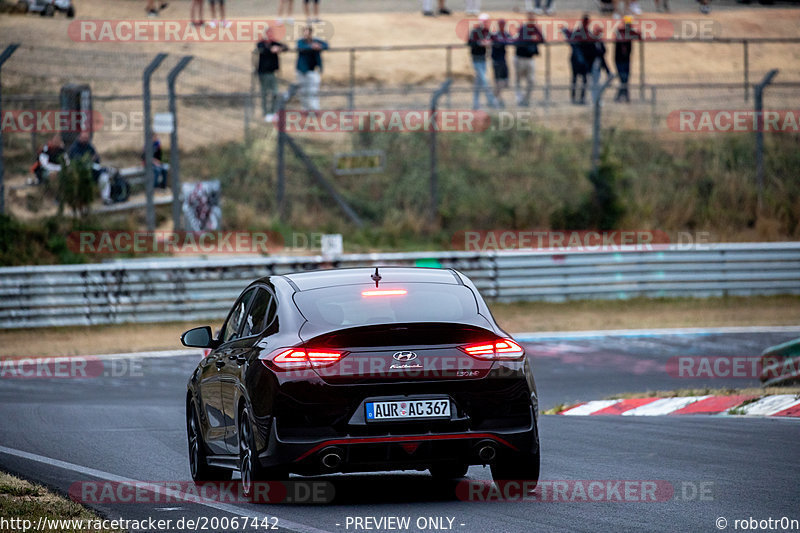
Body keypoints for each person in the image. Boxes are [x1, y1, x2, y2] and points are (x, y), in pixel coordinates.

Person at [67, 130, 112, 205]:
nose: (85, 139)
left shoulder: (89, 146)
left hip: (93, 171)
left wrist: (94, 159)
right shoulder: (74, 148)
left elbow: (96, 158)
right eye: (84, 137)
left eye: (87, 138)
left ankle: (106, 198)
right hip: (81, 173)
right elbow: (77, 161)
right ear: (79, 137)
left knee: (104, 176)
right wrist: (88, 160)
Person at [256, 26, 289, 121]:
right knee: (265, 93)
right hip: (263, 73)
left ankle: (273, 112)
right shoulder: (261, 43)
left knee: (275, 93)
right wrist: (271, 49)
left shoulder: (275, 43)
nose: (270, 36)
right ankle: (266, 113)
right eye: (269, 34)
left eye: (272, 34)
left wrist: (279, 48)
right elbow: (262, 49)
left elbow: (286, 47)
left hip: (273, 72)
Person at [468, 14, 499, 110]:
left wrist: (490, 42)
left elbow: (495, 39)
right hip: (476, 59)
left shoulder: (487, 32)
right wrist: (480, 43)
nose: (486, 23)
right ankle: (492, 102)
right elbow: (470, 43)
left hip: (483, 59)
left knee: (479, 82)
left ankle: (475, 104)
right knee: (485, 81)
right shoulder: (475, 31)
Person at [562, 14, 595, 105]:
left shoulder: (587, 33)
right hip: (576, 60)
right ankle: (574, 98)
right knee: (575, 79)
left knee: (583, 79)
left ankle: (581, 98)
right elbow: (572, 41)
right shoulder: (579, 32)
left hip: (584, 60)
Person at [514, 11, 544, 107]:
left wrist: (537, 38)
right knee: (518, 80)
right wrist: (532, 38)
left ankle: (525, 100)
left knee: (531, 81)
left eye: (533, 18)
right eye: (530, 18)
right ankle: (519, 100)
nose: (532, 20)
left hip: (530, 59)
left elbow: (542, 39)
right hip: (520, 58)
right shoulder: (524, 28)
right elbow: (521, 40)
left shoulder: (535, 29)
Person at [296, 26, 329, 111]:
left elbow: (326, 45)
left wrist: (319, 46)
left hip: (313, 70)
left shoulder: (316, 41)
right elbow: (301, 47)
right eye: (305, 33)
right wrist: (312, 46)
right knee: (303, 91)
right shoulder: (301, 41)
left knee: (313, 90)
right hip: (302, 70)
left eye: (308, 33)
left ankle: (315, 109)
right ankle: (305, 109)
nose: (307, 35)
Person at [613, 16, 640, 102]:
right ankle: (624, 96)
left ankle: (621, 97)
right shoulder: (620, 31)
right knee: (623, 78)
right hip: (619, 59)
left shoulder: (629, 32)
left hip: (626, 59)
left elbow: (639, 36)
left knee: (625, 79)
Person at [490, 19, 512, 108]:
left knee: (505, 81)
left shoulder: (506, 34)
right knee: (498, 81)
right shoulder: (495, 35)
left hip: (503, 60)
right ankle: (496, 100)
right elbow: (494, 41)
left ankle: (495, 98)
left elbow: (512, 41)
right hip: (496, 60)